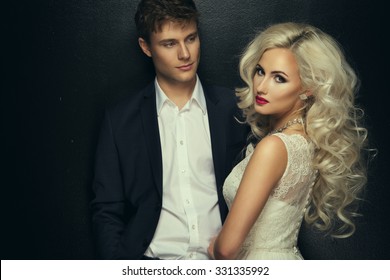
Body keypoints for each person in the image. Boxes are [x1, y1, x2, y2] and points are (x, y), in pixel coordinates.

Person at [90, 0, 247, 260]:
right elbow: (107, 209)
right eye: (169, 43)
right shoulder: (119, 121)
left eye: (191, 38)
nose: (185, 54)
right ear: (146, 47)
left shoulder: (235, 109)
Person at [207, 22, 371, 260]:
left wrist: (213, 248)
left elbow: (226, 250)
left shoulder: (274, 147)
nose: (261, 87)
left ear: (308, 88)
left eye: (279, 78)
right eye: (260, 71)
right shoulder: (304, 141)